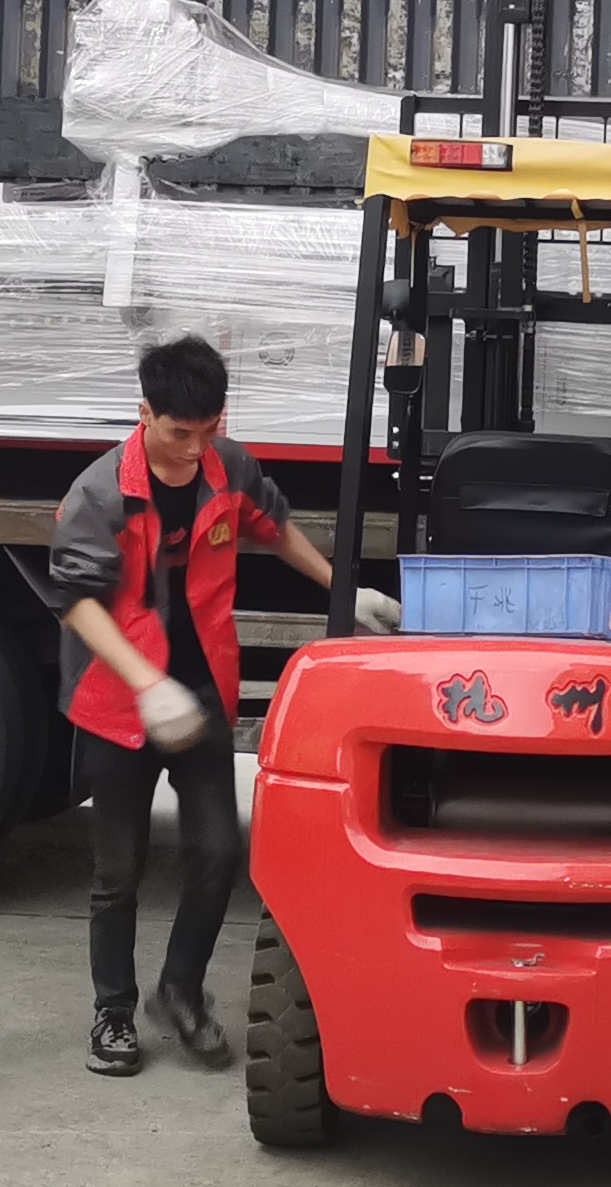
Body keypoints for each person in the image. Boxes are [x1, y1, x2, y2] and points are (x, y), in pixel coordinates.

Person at [49, 334, 396, 1077]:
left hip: (202, 693)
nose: (195, 449)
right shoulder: (100, 494)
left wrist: (344, 590)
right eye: (181, 433)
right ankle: (113, 1014)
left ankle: (180, 989)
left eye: (210, 429)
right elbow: (77, 603)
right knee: (117, 874)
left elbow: (272, 526)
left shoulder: (228, 465)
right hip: (120, 706)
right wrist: (148, 684)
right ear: (145, 413)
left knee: (219, 854)